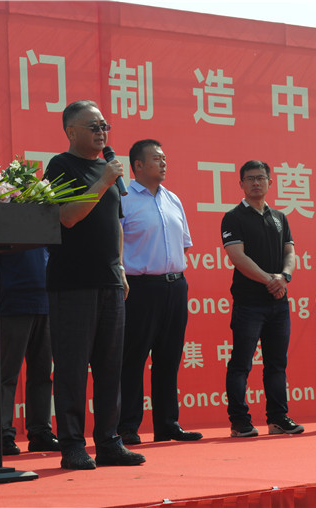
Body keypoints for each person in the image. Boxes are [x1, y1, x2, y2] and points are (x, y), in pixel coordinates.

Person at [44, 100, 145, 470]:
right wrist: (103, 182)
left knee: (109, 367)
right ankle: (72, 444)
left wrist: (120, 267)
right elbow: (68, 217)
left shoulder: (108, 169)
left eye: (105, 126)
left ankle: (109, 442)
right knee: (72, 369)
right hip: (73, 283)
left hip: (109, 281)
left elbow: (115, 223)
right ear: (71, 131)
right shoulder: (60, 166)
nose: (102, 132)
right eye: (94, 126)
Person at [117, 139, 202, 445]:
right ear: (137, 165)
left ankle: (167, 424)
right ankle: (127, 427)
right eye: (156, 158)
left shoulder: (172, 199)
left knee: (169, 357)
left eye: (164, 158)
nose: (163, 163)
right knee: (133, 358)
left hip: (175, 286)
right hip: (139, 288)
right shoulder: (123, 199)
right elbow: (115, 244)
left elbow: (183, 244)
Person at [220, 160, 304, 438]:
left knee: (277, 364)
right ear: (241, 184)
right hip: (249, 303)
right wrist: (270, 280)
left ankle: (278, 418)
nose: (256, 183)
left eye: (260, 178)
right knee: (241, 363)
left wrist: (284, 277)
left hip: (278, 302)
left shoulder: (280, 217)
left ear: (270, 182)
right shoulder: (233, 217)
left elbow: (289, 252)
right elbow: (238, 257)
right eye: (250, 179)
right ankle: (239, 421)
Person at [0, 247, 60, 455]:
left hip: (45, 305)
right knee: (7, 374)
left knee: (42, 374)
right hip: (13, 307)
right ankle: (3, 435)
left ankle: (40, 432)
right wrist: (3, 297)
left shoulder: (46, 225)